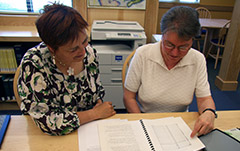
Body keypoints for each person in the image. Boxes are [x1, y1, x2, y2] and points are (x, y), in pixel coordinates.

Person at [17, 3, 116, 135]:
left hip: (87, 130)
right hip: (50, 137)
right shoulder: (34, 64)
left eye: (84, 41)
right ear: (52, 48)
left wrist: (98, 103)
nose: (83, 51)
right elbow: (47, 121)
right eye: (73, 49)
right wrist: (94, 113)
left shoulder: (89, 53)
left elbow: (96, 91)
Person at [123, 6, 216, 138]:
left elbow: (204, 98)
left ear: (192, 41)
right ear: (162, 36)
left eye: (183, 47)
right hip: (145, 119)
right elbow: (129, 97)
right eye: (169, 44)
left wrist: (209, 112)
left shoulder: (197, 59)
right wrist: (141, 123)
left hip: (181, 122)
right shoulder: (143, 54)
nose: (174, 53)